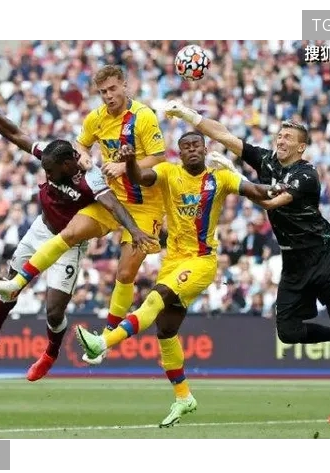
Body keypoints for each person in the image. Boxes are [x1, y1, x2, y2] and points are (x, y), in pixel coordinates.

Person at [162, 100, 330, 425]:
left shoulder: (306, 174)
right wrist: (189, 115)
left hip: (323, 259)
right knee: (288, 332)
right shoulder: (266, 160)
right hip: (293, 263)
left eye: (288, 138)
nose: (281, 140)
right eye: (280, 135)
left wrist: (233, 176)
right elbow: (224, 136)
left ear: (301, 147)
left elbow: (273, 202)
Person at [75, 134, 285, 427]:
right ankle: (184, 397)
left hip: (201, 261)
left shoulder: (220, 178)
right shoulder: (167, 172)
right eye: (186, 147)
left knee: (153, 300)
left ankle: (102, 343)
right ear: (180, 153)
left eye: (196, 145)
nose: (192, 150)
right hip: (172, 261)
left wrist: (276, 188)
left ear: (205, 149)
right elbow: (139, 178)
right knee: (166, 330)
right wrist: (131, 160)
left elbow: (253, 189)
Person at [0, 86, 156, 381]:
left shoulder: (91, 178)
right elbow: (14, 133)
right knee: (8, 287)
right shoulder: (51, 153)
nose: (47, 175)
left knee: (53, 311)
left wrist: (135, 231)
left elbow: (114, 205)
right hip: (41, 230)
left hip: (69, 244)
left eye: (51, 171)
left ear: (67, 165)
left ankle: (50, 354)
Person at [74, 64, 168, 363]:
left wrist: (124, 167)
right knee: (71, 231)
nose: (108, 95)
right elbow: (80, 143)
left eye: (113, 89)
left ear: (125, 86)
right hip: (113, 201)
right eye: (102, 91)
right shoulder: (96, 118)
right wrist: (84, 156)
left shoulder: (144, 116)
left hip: (146, 206)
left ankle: (104, 340)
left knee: (125, 273)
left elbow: (159, 157)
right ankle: (20, 280)